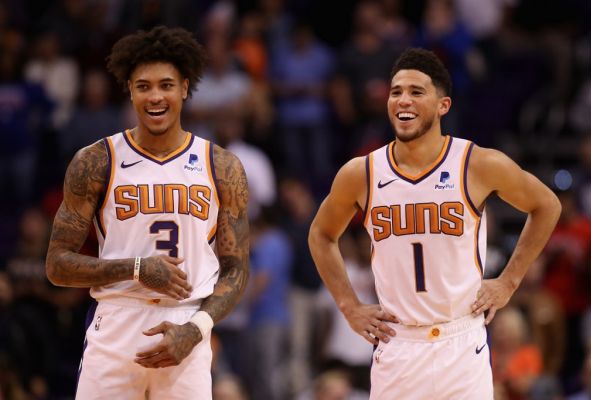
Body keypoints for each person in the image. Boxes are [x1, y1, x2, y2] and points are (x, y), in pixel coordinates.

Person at [308, 47, 562, 399]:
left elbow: (546, 205)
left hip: (461, 342)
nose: (403, 100)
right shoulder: (361, 172)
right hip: (398, 344)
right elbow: (321, 235)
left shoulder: (476, 163)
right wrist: (349, 305)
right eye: (396, 92)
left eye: (416, 92)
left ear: (443, 105)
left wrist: (509, 281)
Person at [45, 26, 249, 399]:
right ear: (130, 90)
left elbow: (236, 268)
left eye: (166, 85)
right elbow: (57, 265)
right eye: (144, 86)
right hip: (118, 323)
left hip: (185, 326)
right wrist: (136, 268)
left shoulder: (221, 166)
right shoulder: (96, 161)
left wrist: (197, 328)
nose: (156, 97)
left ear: (185, 88)